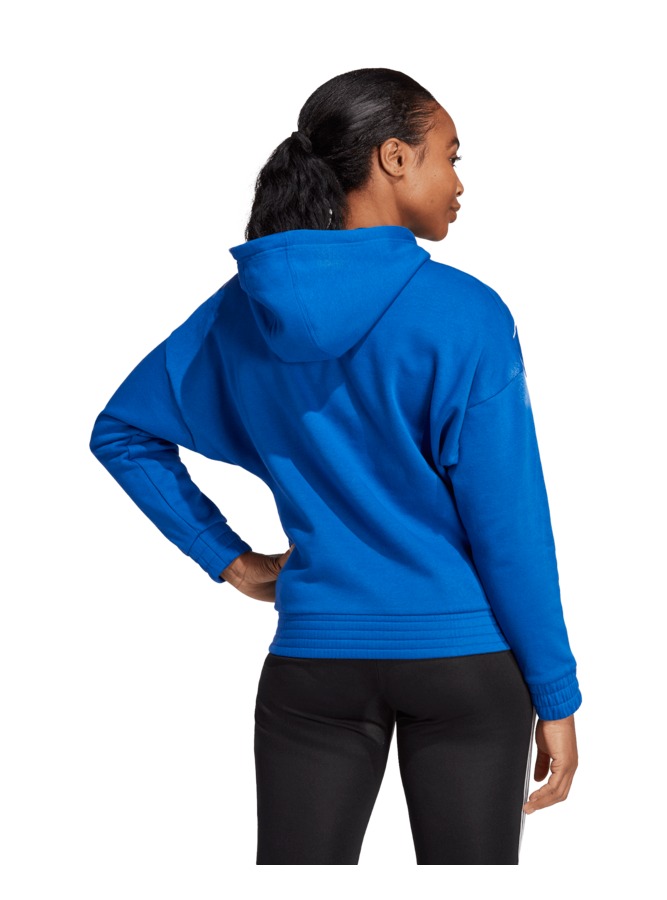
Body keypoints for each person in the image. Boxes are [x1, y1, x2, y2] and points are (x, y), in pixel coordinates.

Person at [89, 67, 581, 865]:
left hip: (314, 661)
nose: (459, 182)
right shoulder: (465, 313)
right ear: (394, 157)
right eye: (450, 156)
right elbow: (509, 528)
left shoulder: (242, 310)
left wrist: (231, 561)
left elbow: (123, 433)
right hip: (462, 662)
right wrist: (555, 692)